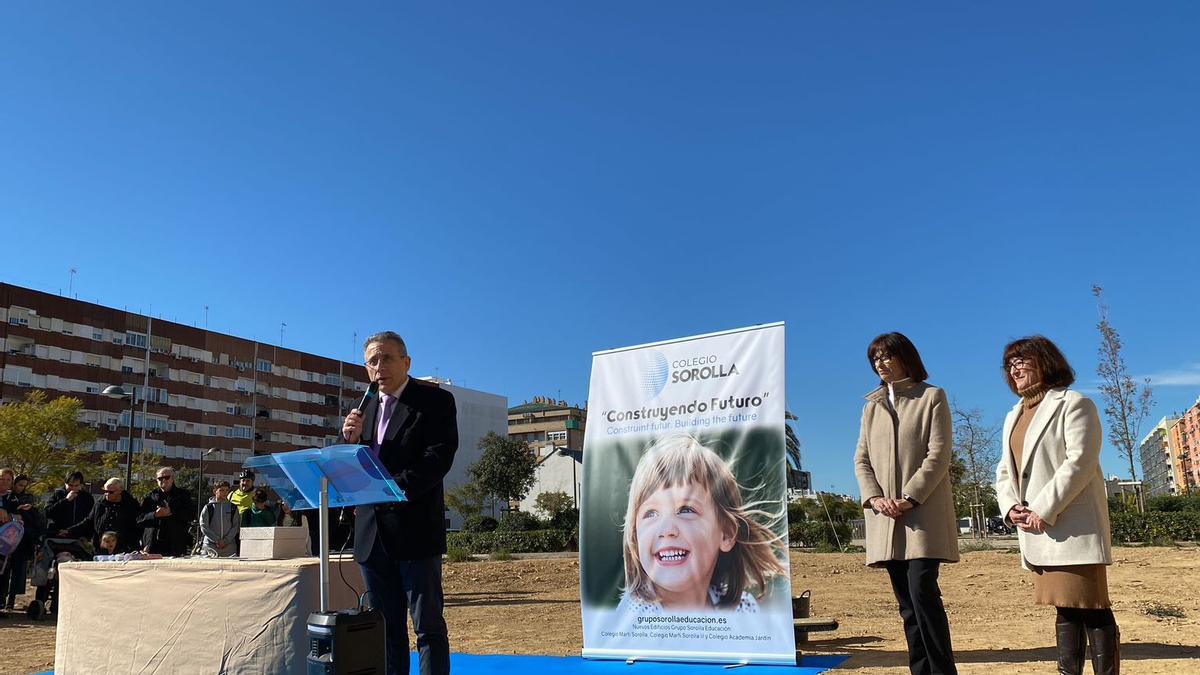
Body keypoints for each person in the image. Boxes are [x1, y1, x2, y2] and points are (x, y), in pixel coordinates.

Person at [994, 336, 1119, 675]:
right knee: (1065, 608)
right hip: (1038, 531)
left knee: (1091, 606)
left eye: (1022, 360)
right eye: (1010, 364)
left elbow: (1079, 462)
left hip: (1072, 526)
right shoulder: (1013, 416)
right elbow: (1005, 470)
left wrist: (1043, 509)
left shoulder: (1074, 404)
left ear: (1046, 362)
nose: (1015, 368)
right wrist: (1010, 508)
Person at [341, 331, 458, 675]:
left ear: (407, 362)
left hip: (415, 531)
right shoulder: (364, 410)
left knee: (428, 628)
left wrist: (391, 490)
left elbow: (438, 459)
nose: (380, 367)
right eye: (372, 361)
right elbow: (349, 468)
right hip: (371, 535)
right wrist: (346, 439)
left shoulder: (435, 402)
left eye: (387, 358)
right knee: (387, 630)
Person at [853, 332, 959, 675]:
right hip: (886, 518)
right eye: (875, 359)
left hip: (922, 515)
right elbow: (862, 459)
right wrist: (875, 498)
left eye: (886, 356)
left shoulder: (932, 397)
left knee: (923, 592)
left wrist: (910, 497)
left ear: (905, 357)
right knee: (907, 605)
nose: (880, 364)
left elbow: (938, 454)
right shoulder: (872, 406)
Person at [618, 434, 787, 613]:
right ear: (635, 538)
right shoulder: (632, 616)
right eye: (651, 513)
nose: (667, 530)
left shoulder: (744, 609)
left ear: (727, 534)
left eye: (685, 510)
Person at [62, 478, 141, 553]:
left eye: (111, 492)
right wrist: (69, 530)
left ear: (120, 491)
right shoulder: (100, 504)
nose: (107, 494)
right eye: (105, 491)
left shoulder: (131, 505)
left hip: (124, 549)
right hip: (101, 548)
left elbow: (138, 525)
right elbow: (89, 521)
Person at [138, 467, 195, 556]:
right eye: (160, 478)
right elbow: (139, 518)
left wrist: (171, 512)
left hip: (175, 544)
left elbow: (191, 515)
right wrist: (155, 514)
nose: (163, 480)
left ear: (172, 479)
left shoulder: (183, 495)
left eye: (167, 477)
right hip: (152, 544)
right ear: (157, 480)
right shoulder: (150, 497)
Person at [5, 474, 42, 610]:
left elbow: (36, 520)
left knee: (18, 571)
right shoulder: (7, 497)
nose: (21, 488)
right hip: (6, 538)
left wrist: (28, 510)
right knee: (4, 570)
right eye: (20, 484)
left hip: (21, 540)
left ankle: (11, 600)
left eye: (24, 486)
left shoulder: (28, 498)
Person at [200, 480, 240, 557]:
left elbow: (235, 526)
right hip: (210, 546)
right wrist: (217, 540)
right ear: (215, 491)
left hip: (229, 548)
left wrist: (225, 541)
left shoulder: (233, 508)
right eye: (221, 490)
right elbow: (204, 526)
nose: (225, 493)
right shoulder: (208, 507)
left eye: (227, 490)